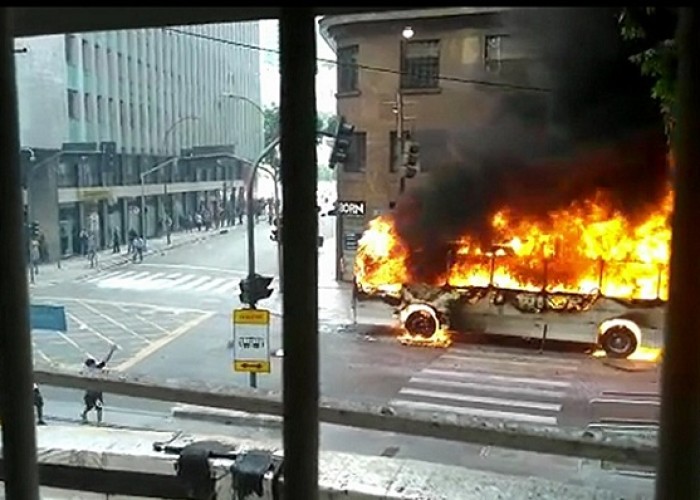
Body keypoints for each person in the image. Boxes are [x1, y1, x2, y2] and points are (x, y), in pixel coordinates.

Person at [80, 343, 118, 424]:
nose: (95, 364)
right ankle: (84, 415)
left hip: (97, 392)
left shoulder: (96, 369)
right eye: (93, 364)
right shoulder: (88, 372)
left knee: (99, 407)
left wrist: (111, 351)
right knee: (89, 406)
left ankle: (99, 421)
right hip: (91, 392)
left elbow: (105, 360)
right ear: (90, 365)